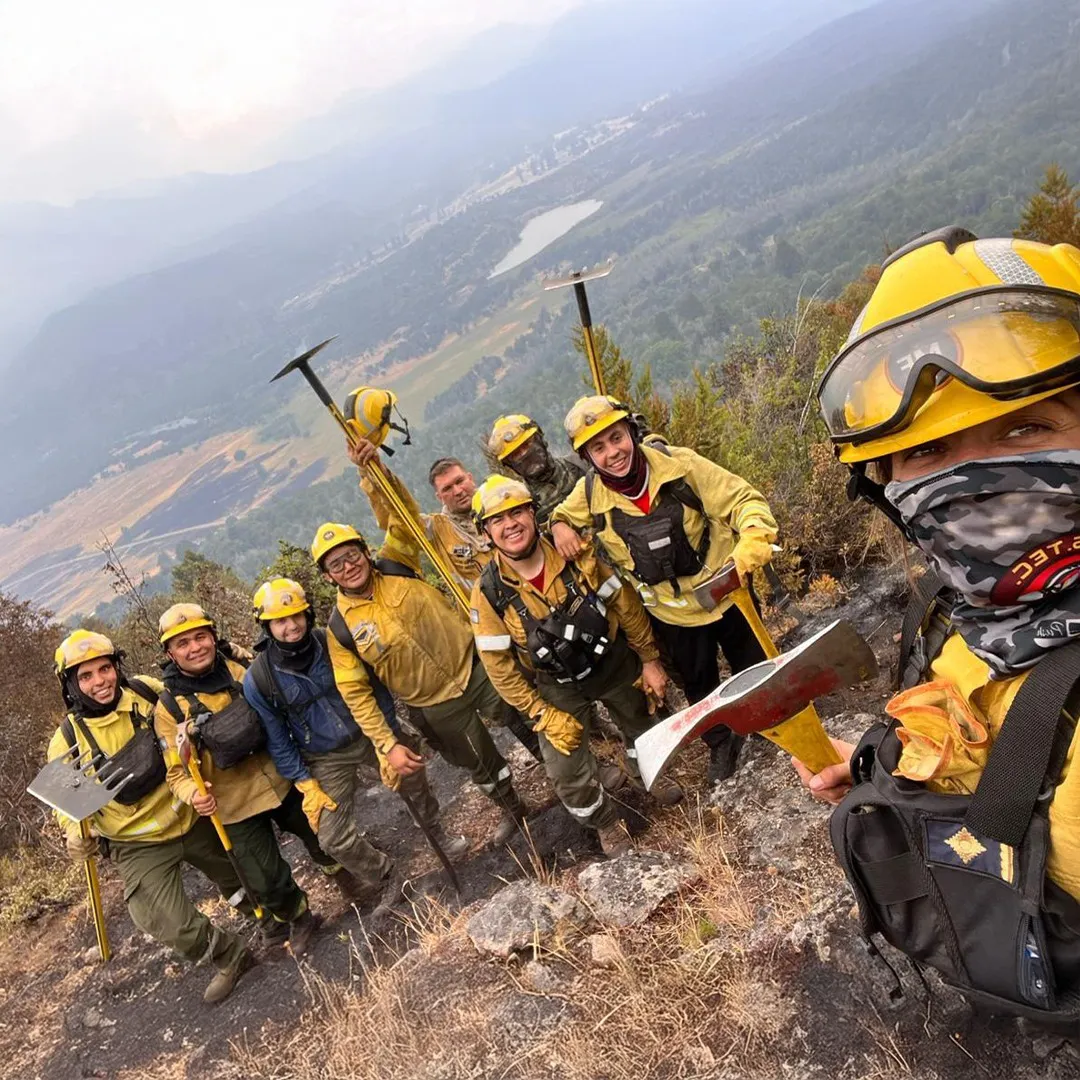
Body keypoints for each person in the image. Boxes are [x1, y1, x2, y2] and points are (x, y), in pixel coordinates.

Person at [799, 226, 1080, 1017]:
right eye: (928, 453)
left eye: (1024, 429)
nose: (973, 484)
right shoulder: (957, 612)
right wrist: (885, 773)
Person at [550, 395, 779, 785]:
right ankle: (720, 741)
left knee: (753, 661)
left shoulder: (681, 465)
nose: (612, 453)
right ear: (587, 457)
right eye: (598, 448)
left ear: (631, 433)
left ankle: (770, 720)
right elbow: (560, 515)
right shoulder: (590, 494)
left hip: (727, 590)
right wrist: (559, 527)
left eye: (616, 438)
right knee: (699, 683)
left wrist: (753, 537)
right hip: (673, 614)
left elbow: (742, 499)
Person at [470, 476, 684, 855]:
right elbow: (498, 665)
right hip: (558, 683)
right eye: (497, 519)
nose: (510, 524)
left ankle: (648, 776)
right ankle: (605, 823)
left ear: (533, 513)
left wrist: (649, 659)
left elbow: (622, 603)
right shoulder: (489, 592)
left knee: (644, 724)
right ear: (486, 532)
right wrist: (541, 713)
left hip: (611, 660)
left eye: (517, 512)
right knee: (565, 771)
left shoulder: (571, 551)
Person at [46, 630, 253, 1004]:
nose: (100, 681)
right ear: (71, 686)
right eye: (86, 676)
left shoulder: (146, 693)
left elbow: (186, 708)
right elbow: (68, 810)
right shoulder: (67, 741)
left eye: (105, 669)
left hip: (189, 813)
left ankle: (268, 919)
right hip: (136, 841)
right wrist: (74, 835)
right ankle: (230, 955)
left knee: (244, 874)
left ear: (117, 667)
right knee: (161, 919)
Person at [243, 577, 470, 900]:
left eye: (296, 616)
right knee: (332, 838)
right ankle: (387, 876)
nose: (291, 626)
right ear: (266, 626)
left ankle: (437, 833)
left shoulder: (334, 642)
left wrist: (388, 739)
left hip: (367, 731)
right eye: (280, 621)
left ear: (308, 614)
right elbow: (277, 739)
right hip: (324, 755)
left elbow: (376, 690)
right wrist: (305, 782)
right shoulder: (260, 679)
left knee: (412, 773)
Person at [312, 522, 530, 846]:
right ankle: (513, 808)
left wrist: (375, 487)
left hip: (475, 666)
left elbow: (401, 519)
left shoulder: (397, 562)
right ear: (327, 576)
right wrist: (387, 745)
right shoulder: (341, 628)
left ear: (366, 551)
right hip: (433, 703)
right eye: (336, 564)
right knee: (479, 761)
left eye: (352, 555)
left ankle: (572, 780)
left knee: (528, 718)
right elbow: (355, 694)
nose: (348, 566)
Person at [153, 603, 325, 956]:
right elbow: (175, 773)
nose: (195, 647)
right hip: (233, 805)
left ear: (213, 637)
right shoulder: (169, 709)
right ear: (170, 654)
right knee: (264, 879)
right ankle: (300, 916)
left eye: (201, 637)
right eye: (183, 643)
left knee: (323, 834)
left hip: (282, 778)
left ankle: (349, 879)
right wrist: (193, 795)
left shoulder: (241, 667)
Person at [487, 414, 586, 527]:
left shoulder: (582, 464)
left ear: (540, 439)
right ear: (510, 465)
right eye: (516, 454)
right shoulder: (525, 507)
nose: (524, 454)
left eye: (526, 445)